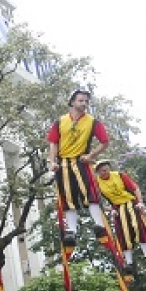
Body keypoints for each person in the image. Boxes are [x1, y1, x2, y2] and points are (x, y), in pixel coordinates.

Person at [47, 89, 110, 247]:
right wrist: (52, 161)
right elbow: (53, 142)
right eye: (80, 100)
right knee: (68, 197)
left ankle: (99, 224)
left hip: (81, 162)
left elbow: (105, 141)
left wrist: (91, 156)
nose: (84, 104)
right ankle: (72, 231)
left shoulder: (92, 121)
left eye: (86, 101)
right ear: (73, 102)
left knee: (90, 193)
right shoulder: (60, 122)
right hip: (64, 164)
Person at [95, 160, 146, 276]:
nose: (105, 172)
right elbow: (97, 201)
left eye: (106, 169)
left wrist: (140, 202)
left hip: (130, 203)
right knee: (123, 234)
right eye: (102, 170)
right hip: (117, 209)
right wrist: (110, 209)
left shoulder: (120, 176)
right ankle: (129, 262)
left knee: (137, 227)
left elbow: (135, 188)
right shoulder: (97, 183)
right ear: (98, 172)